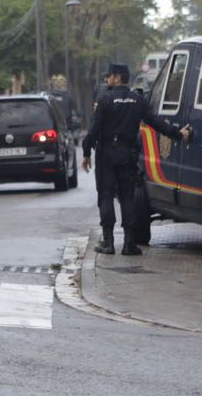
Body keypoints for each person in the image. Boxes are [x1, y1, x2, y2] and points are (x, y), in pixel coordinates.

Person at [82, 61, 191, 255]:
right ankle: (129, 244)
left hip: (106, 155)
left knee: (106, 196)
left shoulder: (105, 100)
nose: (107, 79)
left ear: (117, 78)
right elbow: (156, 123)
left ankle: (108, 243)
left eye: (109, 76)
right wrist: (178, 134)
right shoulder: (137, 101)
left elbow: (93, 130)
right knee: (127, 197)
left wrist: (86, 153)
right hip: (127, 155)